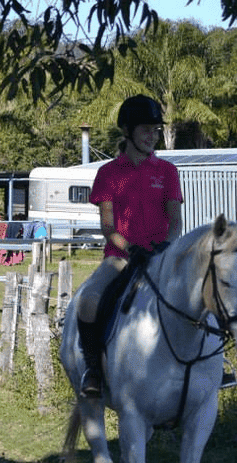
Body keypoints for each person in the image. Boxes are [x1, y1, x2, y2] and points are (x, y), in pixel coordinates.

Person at [75, 94, 183, 397]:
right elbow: (107, 226)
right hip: (121, 258)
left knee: (199, 292)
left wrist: (165, 247)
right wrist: (131, 248)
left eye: (155, 130)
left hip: (161, 257)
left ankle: (215, 364)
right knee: (89, 300)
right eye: (146, 130)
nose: (152, 136)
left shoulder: (167, 172)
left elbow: (175, 222)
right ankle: (94, 369)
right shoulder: (108, 174)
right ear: (128, 132)